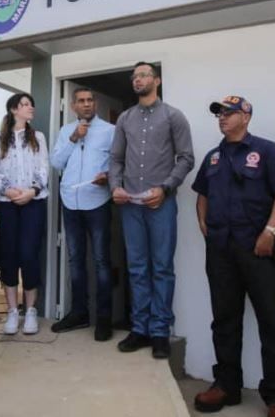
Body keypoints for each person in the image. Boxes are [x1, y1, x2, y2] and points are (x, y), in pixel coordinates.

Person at [191, 95, 275, 417]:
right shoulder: (212, 158)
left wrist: (271, 232)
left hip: (258, 249)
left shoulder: (266, 151)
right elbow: (202, 196)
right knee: (224, 320)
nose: (222, 117)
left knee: (271, 322)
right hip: (221, 251)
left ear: (246, 116)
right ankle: (226, 385)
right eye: (219, 113)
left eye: (228, 112)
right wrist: (204, 224)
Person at [110, 61, 194, 359]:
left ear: (156, 80)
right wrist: (115, 187)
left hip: (161, 204)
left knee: (161, 268)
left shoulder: (173, 116)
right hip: (130, 205)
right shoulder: (124, 119)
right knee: (137, 268)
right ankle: (140, 329)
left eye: (143, 75)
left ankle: (160, 331)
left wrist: (166, 188)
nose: (137, 80)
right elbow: (116, 159)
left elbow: (186, 158)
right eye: (134, 76)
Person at [50, 87, 115, 341]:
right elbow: (56, 163)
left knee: (101, 262)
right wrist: (73, 138)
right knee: (75, 260)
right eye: (81, 101)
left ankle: (104, 319)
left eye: (90, 100)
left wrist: (108, 176)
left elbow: (118, 163)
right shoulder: (66, 131)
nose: (86, 105)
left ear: (95, 103)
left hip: (97, 201)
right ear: (74, 106)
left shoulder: (110, 131)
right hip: (70, 202)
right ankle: (79, 313)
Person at [0, 93, 49, 335]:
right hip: (6, 203)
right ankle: (13, 311)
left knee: (29, 253)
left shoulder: (38, 137)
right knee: (9, 255)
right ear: (14, 109)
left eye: (31, 104)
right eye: (25, 104)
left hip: (33, 202)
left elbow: (44, 166)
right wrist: (10, 192)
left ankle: (30, 310)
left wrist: (32, 191)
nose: (30, 107)